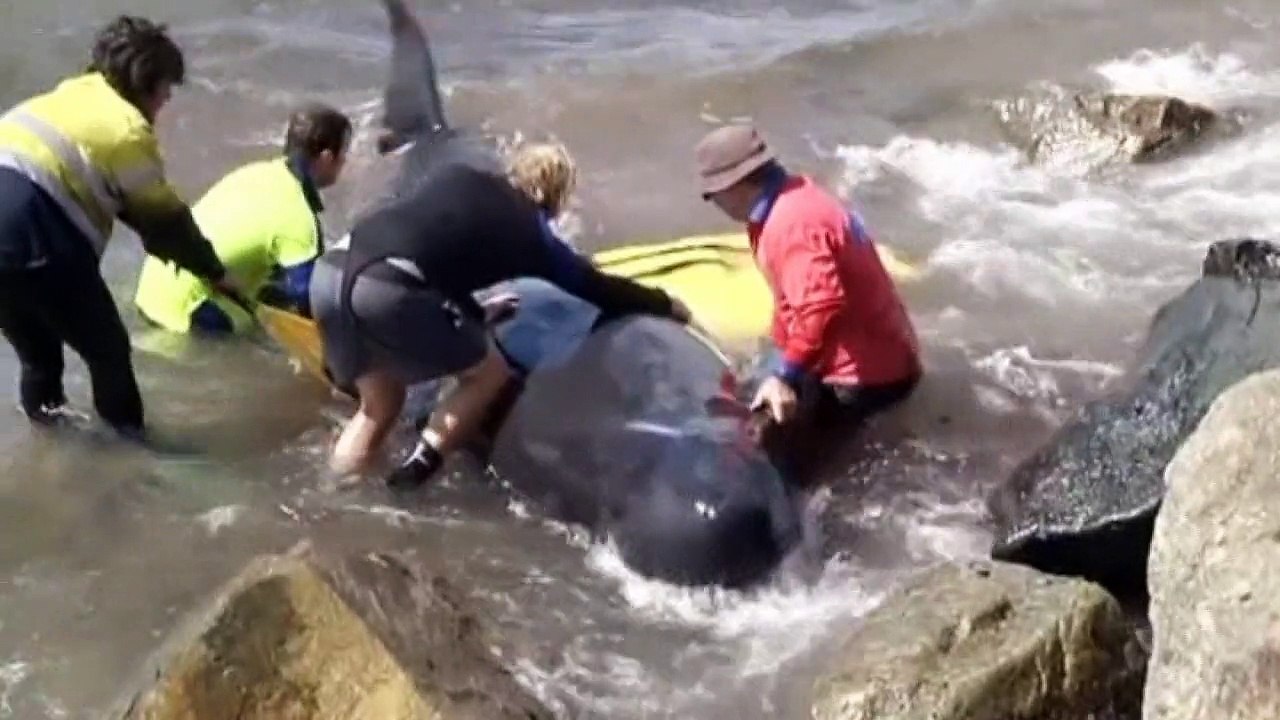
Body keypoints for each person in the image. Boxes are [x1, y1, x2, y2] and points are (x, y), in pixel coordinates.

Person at [310, 141, 693, 489]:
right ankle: (413, 476)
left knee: (380, 407)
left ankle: (335, 493)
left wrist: (475, 312)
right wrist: (665, 305)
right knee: (489, 374)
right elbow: (596, 288)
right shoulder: (531, 233)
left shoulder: (459, 178)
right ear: (554, 196)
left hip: (331, 273)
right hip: (383, 286)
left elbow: (433, 243)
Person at [0, 15, 246, 440]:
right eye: (167, 88)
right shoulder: (127, 129)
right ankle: (130, 451)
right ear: (147, 84)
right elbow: (163, 220)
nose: (167, 100)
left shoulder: (67, 94)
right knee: (109, 353)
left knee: (39, 357)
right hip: (35, 229)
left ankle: (47, 443)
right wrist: (215, 272)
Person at [694, 123, 922, 478]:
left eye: (713, 195)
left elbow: (821, 307)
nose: (714, 204)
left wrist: (785, 376)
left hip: (864, 379)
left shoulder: (791, 225)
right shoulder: (795, 194)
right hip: (878, 350)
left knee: (788, 472)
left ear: (735, 186)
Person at [134, 103, 352, 334]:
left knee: (269, 292)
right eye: (344, 154)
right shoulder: (298, 216)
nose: (345, 162)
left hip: (151, 289)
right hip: (185, 314)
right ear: (327, 157)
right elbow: (308, 299)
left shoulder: (256, 173)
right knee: (256, 329)